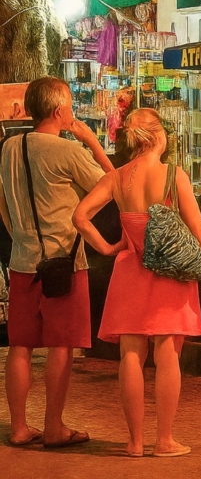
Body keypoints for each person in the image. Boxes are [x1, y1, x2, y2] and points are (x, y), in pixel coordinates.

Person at [73, 108, 201, 457]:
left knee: (131, 352)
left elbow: (79, 216)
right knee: (167, 352)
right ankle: (164, 440)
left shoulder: (117, 178)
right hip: (169, 275)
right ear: (159, 136)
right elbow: (199, 231)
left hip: (129, 271)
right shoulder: (174, 176)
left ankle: (134, 441)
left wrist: (109, 247)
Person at [0, 76, 114, 448]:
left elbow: (2, 203)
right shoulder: (68, 152)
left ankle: (19, 428)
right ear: (58, 110)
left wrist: (19, 233)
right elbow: (115, 187)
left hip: (22, 260)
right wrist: (94, 144)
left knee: (20, 345)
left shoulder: (9, 147)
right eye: (68, 106)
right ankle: (53, 427)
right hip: (63, 262)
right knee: (61, 345)